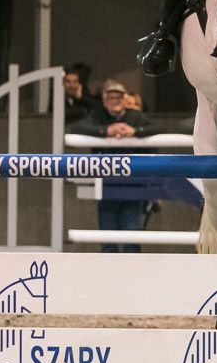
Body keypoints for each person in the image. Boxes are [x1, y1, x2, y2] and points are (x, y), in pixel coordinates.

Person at [68, 80, 160, 252]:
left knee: (132, 234)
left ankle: (131, 266)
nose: (115, 100)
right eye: (111, 97)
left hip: (133, 182)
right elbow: (77, 128)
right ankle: (108, 266)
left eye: (119, 97)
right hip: (107, 182)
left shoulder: (135, 116)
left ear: (124, 99)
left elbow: (159, 127)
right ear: (104, 99)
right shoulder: (98, 115)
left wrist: (135, 132)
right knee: (107, 234)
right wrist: (106, 131)